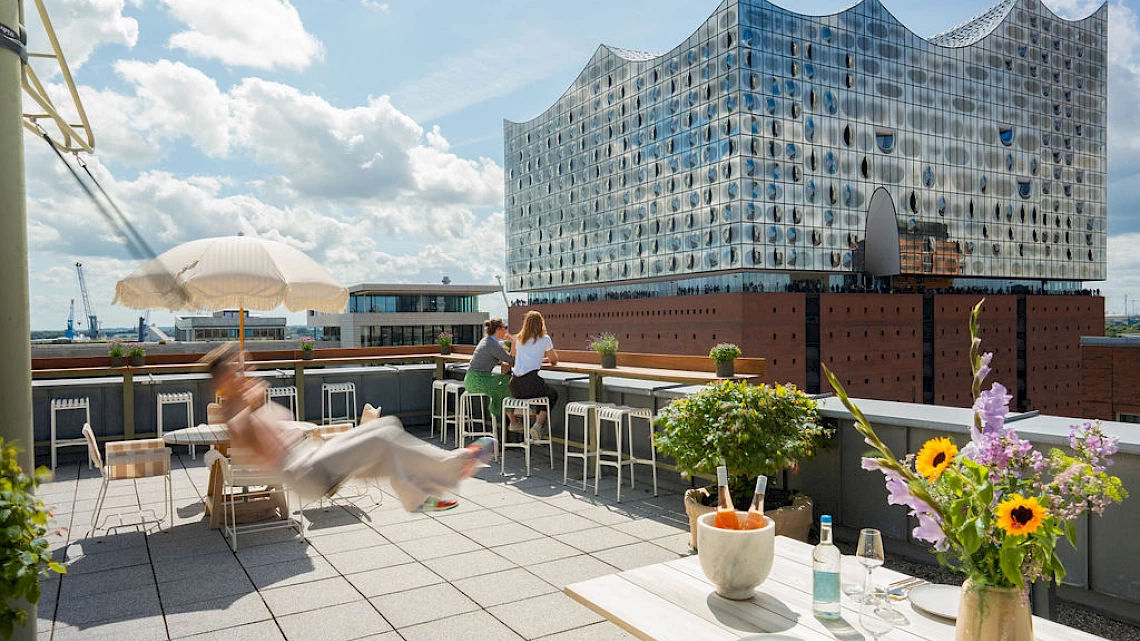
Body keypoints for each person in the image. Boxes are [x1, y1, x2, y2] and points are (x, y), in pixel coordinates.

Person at [203, 343, 495, 513]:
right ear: (222, 380)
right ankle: (451, 468)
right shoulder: (235, 413)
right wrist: (251, 406)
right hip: (304, 471)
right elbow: (258, 443)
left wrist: (254, 402)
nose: (243, 371)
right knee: (383, 438)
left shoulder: (245, 403)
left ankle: (417, 494)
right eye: (235, 369)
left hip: (312, 454)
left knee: (387, 428)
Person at [509, 310, 559, 440]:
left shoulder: (519, 338)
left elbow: (514, 355)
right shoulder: (545, 339)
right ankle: (538, 425)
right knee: (550, 394)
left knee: (542, 391)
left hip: (515, 386)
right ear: (541, 324)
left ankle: (526, 417)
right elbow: (553, 359)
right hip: (530, 384)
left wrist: (536, 358)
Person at [463, 318, 519, 432]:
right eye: (505, 328)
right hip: (479, 380)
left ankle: (512, 420)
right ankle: (513, 419)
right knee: (508, 383)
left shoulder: (486, 341)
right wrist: (513, 342)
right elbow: (511, 359)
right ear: (498, 329)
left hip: (471, 379)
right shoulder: (492, 344)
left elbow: (492, 358)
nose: (506, 331)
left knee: (504, 383)